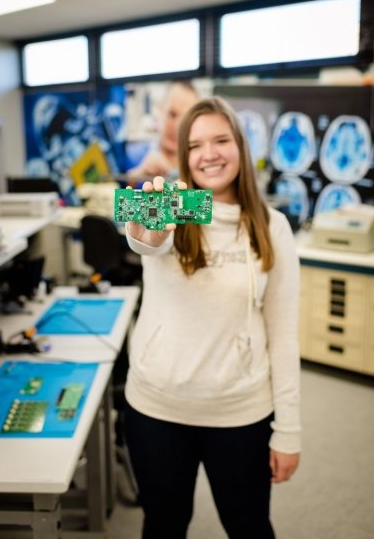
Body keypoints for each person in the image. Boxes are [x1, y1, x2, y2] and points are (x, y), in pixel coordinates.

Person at [124, 97, 301, 538]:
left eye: (221, 140)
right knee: (163, 525)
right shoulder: (171, 203)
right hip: (157, 407)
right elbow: (146, 242)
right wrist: (150, 223)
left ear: (240, 146)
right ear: (183, 156)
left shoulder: (271, 225)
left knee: (249, 527)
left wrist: (289, 431)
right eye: (196, 145)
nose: (210, 154)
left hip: (240, 410)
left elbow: (283, 334)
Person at [127, 81, 199, 180]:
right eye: (172, 114)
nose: (177, 127)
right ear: (160, 110)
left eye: (185, 120)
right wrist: (136, 176)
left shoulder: (199, 162)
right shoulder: (132, 154)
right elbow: (110, 190)